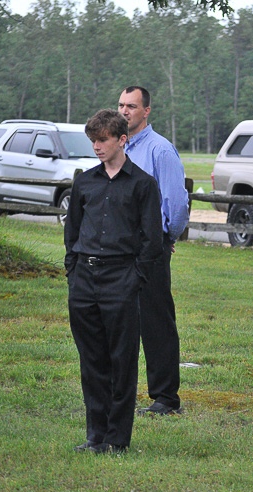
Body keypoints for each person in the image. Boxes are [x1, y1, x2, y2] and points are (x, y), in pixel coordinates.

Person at [65, 109, 163, 453]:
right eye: (93, 140)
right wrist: (73, 271)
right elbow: (72, 230)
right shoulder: (85, 181)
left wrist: (134, 278)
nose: (96, 146)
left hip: (121, 277)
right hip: (84, 278)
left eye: (103, 140)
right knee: (91, 360)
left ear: (122, 140)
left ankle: (117, 439)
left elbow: (152, 240)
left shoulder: (143, 184)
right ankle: (95, 435)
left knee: (122, 360)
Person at [118, 86, 190, 416]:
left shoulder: (160, 150)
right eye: (121, 105)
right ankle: (120, 390)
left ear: (146, 111)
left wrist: (165, 237)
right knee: (119, 319)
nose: (124, 111)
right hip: (119, 246)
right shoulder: (118, 147)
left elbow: (176, 203)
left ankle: (165, 397)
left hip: (150, 247)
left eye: (131, 106)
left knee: (155, 321)